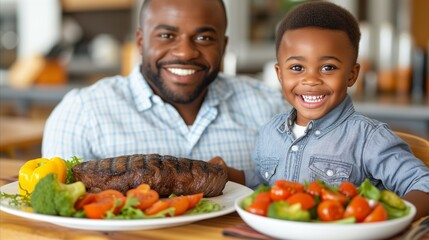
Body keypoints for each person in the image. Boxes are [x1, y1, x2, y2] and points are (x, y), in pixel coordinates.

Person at [215, 1, 429, 220]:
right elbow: (263, 182)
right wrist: (230, 173)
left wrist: (385, 221)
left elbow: (423, 184)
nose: (310, 80)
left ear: (352, 75)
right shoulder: (269, 132)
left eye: (328, 68)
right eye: (297, 68)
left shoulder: (367, 138)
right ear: (280, 74)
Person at [41, 0, 289, 183]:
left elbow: (297, 192)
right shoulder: (80, 113)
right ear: (140, 41)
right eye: (167, 35)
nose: (185, 52)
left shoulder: (270, 108)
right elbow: (56, 208)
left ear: (223, 46)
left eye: (203, 38)